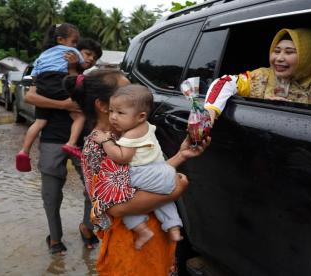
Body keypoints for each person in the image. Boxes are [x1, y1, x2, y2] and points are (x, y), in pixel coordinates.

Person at [64, 69, 210, 275]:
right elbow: (115, 208)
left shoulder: (132, 134)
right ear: (104, 106)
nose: (135, 94)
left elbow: (150, 173)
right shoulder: (98, 147)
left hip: (153, 239)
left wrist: (181, 156)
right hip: (130, 246)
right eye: (126, 90)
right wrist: (174, 192)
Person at [23, 38, 102, 254]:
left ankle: (87, 226)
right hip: (52, 139)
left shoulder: (88, 81)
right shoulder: (45, 70)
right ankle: (55, 238)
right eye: (87, 53)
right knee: (52, 194)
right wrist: (64, 104)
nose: (91, 59)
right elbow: (30, 96)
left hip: (84, 141)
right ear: (72, 50)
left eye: (94, 58)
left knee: (93, 187)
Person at [91, 84, 183, 250]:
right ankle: (174, 226)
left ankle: (142, 230)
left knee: (120, 196)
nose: (113, 117)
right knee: (163, 200)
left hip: (140, 173)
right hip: (161, 171)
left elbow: (122, 157)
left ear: (141, 116)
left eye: (120, 113)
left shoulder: (131, 134)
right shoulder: (146, 126)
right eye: (111, 111)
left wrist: (106, 142)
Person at [204, 28, 311, 122]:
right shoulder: (261, 77)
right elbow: (226, 82)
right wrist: (210, 113)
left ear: (310, 58)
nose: (279, 58)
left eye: (289, 52)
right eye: (276, 51)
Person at [15, 23, 86, 172]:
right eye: (74, 41)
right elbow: (82, 64)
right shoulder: (71, 52)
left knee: (39, 122)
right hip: (59, 82)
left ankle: (24, 151)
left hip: (43, 84)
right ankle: (71, 144)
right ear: (60, 39)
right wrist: (77, 64)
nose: (75, 45)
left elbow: (35, 73)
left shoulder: (43, 55)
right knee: (79, 116)